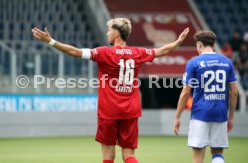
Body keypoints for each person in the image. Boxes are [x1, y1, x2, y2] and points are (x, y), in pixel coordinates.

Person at [32, 18, 189, 163]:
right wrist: (178, 42)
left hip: (109, 111)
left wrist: (50, 41)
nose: (107, 33)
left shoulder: (104, 53)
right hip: (130, 110)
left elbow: (75, 52)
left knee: (108, 156)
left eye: (109, 31)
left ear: (115, 33)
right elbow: (162, 51)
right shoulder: (138, 53)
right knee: (129, 155)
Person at [173, 31, 238, 163]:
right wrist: (230, 117)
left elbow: (186, 92)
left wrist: (177, 117)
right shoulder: (227, 62)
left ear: (199, 44)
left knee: (198, 156)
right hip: (220, 113)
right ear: (213, 44)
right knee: (218, 153)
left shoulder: (193, 63)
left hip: (200, 114)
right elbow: (234, 92)